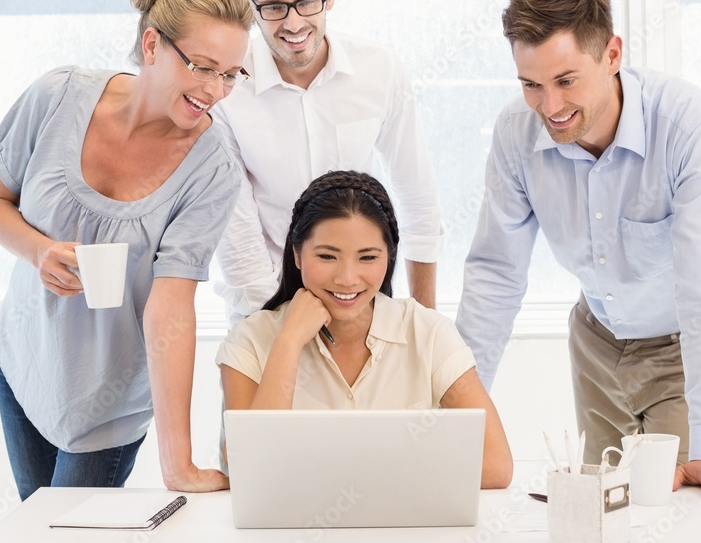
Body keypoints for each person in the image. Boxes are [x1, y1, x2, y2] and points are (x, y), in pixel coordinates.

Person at [456, 0, 701, 500]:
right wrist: (458, 413)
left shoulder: (690, 128)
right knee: (599, 509)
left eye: (566, 80)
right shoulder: (516, 132)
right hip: (595, 340)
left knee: (678, 505)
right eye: (530, 84)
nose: (549, 106)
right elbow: (496, 274)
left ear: (612, 54)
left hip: (678, 351)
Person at [0, 0, 252, 499]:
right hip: (24, 363)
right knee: (38, 533)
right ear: (152, 44)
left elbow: (171, 307)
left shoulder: (212, 168)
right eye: (203, 67)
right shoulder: (56, 98)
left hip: (109, 402)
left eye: (232, 74)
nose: (216, 91)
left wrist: (179, 464)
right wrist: (39, 252)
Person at [217, 171, 513, 489]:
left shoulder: (428, 333)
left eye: (367, 257)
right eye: (327, 256)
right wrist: (288, 343)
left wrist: (351, 481)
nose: (347, 278)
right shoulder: (250, 341)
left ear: (389, 258)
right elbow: (250, 468)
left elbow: (495, 466)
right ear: (297, 254)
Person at [213, 0, 444, 320]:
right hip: (267, 305)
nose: (293, 23)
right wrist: (276, 332)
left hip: (364, 300)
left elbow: (417, 197)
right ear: (250, 7)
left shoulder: (380, 70)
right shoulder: (227, 87)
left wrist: (426, 330)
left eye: (307, 1)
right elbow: (238, 235)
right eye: (273, 7)